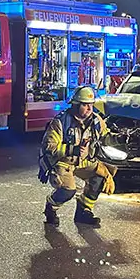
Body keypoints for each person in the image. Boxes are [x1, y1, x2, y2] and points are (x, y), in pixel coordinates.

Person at [38, 86, 118, 228]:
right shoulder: (60, 122)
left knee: (100, 176)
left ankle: (83, 212)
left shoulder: (96, 120)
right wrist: (72, 149)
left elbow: (106, 137)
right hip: (63, 163)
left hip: (84, 162)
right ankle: (51, 207)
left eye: (91, 104)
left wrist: (121, 138)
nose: (89, 108)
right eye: (85, 105)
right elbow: (49, 147)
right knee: (68, 190)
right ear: (75, 105)